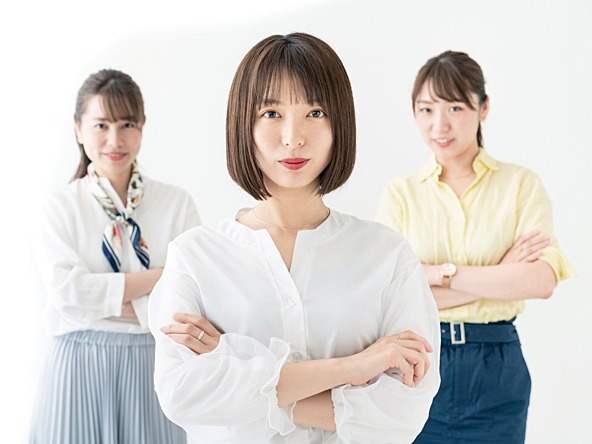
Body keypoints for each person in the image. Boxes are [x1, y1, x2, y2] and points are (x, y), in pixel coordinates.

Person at [148, 32, 440, 444]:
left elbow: (402, 416)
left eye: (315, 112)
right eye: (271, 113)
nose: (293, 137)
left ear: (340, 122)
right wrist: (352, 367)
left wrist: (241, 371)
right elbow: (182, 393)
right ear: (242, 123)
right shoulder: (196, 256)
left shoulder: (386, 255)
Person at [376, 51, 576, 444]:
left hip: (497, 367)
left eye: (455, 106)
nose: (440, 124)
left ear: (483, 107)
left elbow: (540, 281)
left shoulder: (521, 185)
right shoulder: (400, 194)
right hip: (418, 362)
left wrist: (434, 275)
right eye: (426, 109)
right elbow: (389, 298)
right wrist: (501, 273)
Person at [29, 69, 200, 444]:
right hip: (77, 363)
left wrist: (95, 300)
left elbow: (187, 301)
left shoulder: (176, 204)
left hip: (153, 363)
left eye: (126, 124)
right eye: (101, 125)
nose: (114, 139)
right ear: (78, 129)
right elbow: (66, 294)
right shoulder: (59, 205)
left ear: (142, 126)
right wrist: (157, 279)